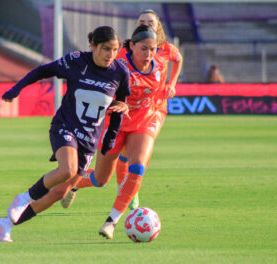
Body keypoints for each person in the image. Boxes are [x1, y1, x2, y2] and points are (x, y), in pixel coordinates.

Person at [10, 24, 181, 240]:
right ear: (132, 47)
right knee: (100, 179)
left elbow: (177, 59)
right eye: (144, 48)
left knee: (136, 168)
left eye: (153, 48)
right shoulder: (119, 67)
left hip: (142, 124)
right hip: (114, 126)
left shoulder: (160, 64)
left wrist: (171, 86)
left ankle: (112, 221)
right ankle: (74, 184)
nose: (149, 54)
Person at [0, 25, 131, 242]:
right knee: (67, 169)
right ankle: (23, 198)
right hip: (65, 126)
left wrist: (111, 138)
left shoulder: (120, 72)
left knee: (58, 193)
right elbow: (43, 70)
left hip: (89, 140)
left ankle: (6, 223)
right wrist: (16, 89)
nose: (110, 55)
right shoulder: (76, 61)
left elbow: (120, 107)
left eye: (115, 49)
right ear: (93, 45)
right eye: (106, 49)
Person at [61, 8, 183, 211]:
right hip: (125, 111)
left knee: (134, 155)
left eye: (150, 21)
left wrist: (172, 84)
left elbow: (178, 59)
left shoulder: (164, 48)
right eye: (142, 21)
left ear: (157, 26)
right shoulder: (127, 51)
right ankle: (83, 184)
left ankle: (127, 193)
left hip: (154, 110)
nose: (146, 24)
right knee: (105, 174)